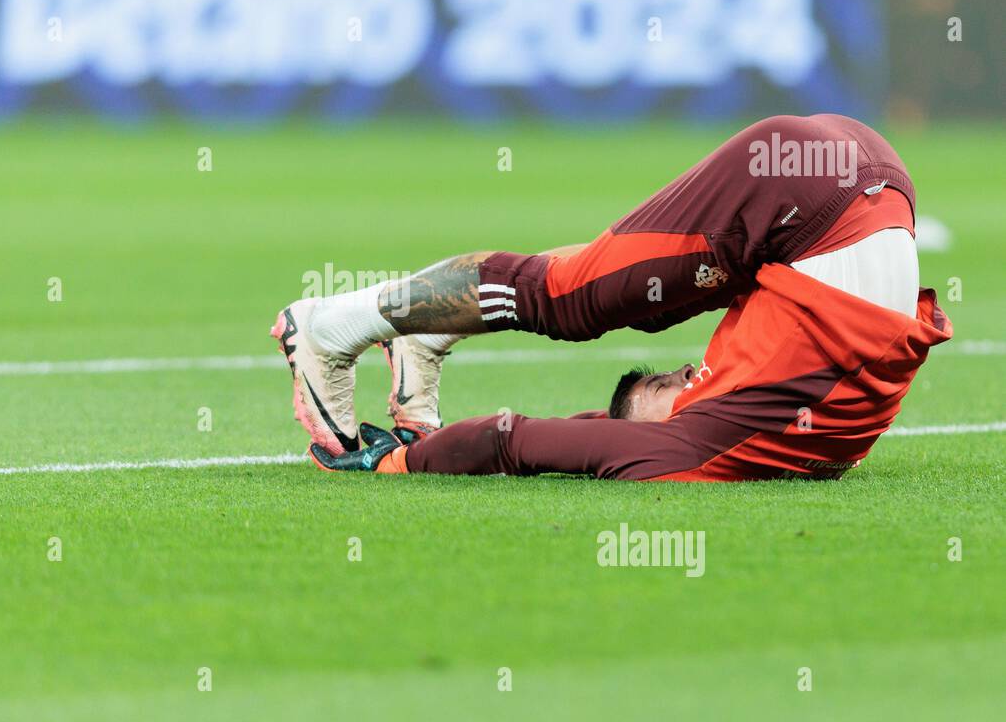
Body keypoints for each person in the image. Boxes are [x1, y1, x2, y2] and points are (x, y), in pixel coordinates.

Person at [271, 114, 951, 480]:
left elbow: (562, 438)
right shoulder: (700, 444)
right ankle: (330, 328)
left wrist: (402, 458)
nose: (682, 376)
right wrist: (401, 461)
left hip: (869, 181)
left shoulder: (734, 443)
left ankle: (416, 327)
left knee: (639, 300)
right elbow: (521, 441)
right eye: (657, 393)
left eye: (652, 394)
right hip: (806, 199)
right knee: (572, 299)